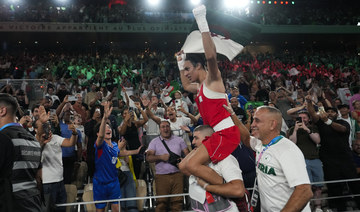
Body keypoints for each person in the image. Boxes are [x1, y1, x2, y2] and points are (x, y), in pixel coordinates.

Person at [177, 5, 241, 186]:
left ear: (199, 66)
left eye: (188, 69)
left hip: (226, 134)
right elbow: (186, 85)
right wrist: (181, 63)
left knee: (191, 164)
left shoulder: (213, 81)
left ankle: (229, 190)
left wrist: (201, 21)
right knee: (183, 166)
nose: (186, 73)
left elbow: (211, 57)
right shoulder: (199, 88)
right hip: (216, 134)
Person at [249, 106, 313, 211]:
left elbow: (305, 191)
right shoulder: (260, 144)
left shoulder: (288, 151)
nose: (252, 125)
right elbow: (246, 138)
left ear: (272, 124)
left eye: (257, 121)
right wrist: (232, 114)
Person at [306, 95, 360, 211]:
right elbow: (313, 114)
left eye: (332, 111)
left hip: (345, 159)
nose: (330, 113)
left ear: (336, 114)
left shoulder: (343, 122)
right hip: (329, 160)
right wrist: (309, 102)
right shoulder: (321, 123)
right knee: (334, 187)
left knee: (354, 184)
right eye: (328, 112)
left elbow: (342, 129)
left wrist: (327, 120)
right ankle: (339, 209)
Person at [0, 93, 42, 212]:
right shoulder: (34, 140)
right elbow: (39, 178)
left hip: (10, 204)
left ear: (2, 111)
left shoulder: (3, 139)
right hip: (33, 202)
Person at [188, 125, 246, 212]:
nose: (193, 142)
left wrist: (207, 186)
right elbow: (183, 167)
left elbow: (238, 190)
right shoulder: (198, 160)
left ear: (208, 139)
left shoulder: (226, 159)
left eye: (196, 138)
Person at [33, 110, 77, 212]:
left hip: (60, 181)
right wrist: (43, 142)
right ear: (36, 129)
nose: (47, 127)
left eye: (47, 125)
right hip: (47, 183)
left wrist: (74, 133)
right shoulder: (34, 141)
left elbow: (70, 143)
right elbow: (36, 154)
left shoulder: (56, 138)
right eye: (43, 126)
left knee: (61, 209)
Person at [146, 120, 189, 212]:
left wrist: (183, 160)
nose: (165, 129)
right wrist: (161, 157)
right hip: (162, 176)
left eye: (167, 126)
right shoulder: (154, 142)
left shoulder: (179, 140)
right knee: (161, 204)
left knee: (177, 203)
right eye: (163, 127)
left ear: (170, 128)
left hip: (177, 175)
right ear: (159, 129)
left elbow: (188, 154)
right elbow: (148, 158)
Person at [288, 111, 323, 211]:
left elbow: (318, 140)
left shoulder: (313, 128)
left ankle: (318, 207)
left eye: (305, 118)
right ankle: (307, 208)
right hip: (300, 162)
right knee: (305, 187)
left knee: (318, 186)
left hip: (315, 159)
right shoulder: (292, 129)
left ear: (309, 119)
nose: (302, 120)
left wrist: (307, 129)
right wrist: (295, 130)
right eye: (300, 118)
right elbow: (292, 143)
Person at [93, 101, 121, 211]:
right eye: (105, 128)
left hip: (114, 182)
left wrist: (135, 151)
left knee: (116, 209)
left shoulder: (114, 145)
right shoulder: (100, 146)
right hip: (100, 184)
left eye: (109, 127)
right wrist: (104, 118)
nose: (108, 129)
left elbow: (119, 153)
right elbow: (100, 137)